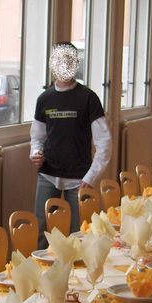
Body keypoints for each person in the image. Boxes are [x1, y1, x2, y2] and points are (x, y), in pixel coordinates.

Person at [29, 42, 112, 247]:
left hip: (80, 178)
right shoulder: (44, 99)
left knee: (82, 233)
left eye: (68, 61)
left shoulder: (88, 98)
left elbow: (104, 142)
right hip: (48, 175)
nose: (63, 65)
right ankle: (44, 275)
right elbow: (37, 137)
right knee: (43, 232)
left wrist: (91, 177)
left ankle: (80, 276)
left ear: (75, 64)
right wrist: (36, 152)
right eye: (59, 61)